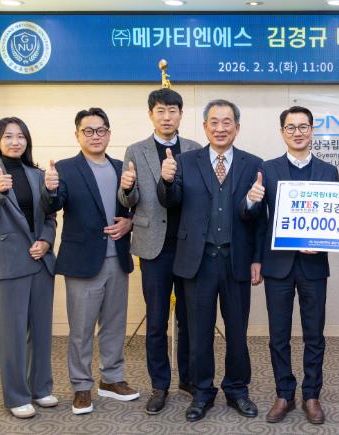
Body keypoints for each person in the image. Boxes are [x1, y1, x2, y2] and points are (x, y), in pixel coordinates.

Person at [157, 99, 264, 422]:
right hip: (197, 262)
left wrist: (257, 257)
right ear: (205, 127)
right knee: (198, 332)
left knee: (237, 331)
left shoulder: (252, 164)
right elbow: (170, 201)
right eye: (214, 122)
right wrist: (166, 180)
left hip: (236, 260)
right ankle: (202, 391)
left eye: (227, 122)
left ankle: (237, 389)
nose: (220, 128)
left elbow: (258, 218)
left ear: (237, 128)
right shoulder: (184, 161)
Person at [244, 106, 338, 425]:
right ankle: (284, 393)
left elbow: (332, 219)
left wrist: (323, 241)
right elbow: (257, 221)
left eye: (303, 126)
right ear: (282, 132)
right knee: (278, 335)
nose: (297, 132)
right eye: (291, 127)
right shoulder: (267, 169)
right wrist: (252, 201)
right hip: (278, 266)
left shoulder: (328, 171)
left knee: (315, 335)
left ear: (312, 130)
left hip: (314, 266)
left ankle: (311, 395)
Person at [46, 108, 137, 415]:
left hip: (117, 259)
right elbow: (54, 204)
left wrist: (129, 222)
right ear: (77, 135)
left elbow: (133, 206)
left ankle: (111, 379)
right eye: (88, 131)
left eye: (101, 130)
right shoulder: (65, 168)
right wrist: (50, 188)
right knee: (81, 330)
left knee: (114, 325)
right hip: (82, 262)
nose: (95, 136)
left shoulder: (121, 167)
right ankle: (81, 386)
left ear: (109, 134)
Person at [118, 88, 202, 414]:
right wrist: (126, 188)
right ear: (150, 114)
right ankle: (159, 384)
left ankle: (189, 379)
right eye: (160, 111)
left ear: (181, 114)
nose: (167, 117)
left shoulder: (194, 149)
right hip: (154, 247)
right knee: (156, 321)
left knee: (189, 319)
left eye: (172, 111)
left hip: (189, 246)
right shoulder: (135, 150)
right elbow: (129, 200)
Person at [0, 117, 59, 418]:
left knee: (41, 332)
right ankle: (16, 397)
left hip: (40, 262)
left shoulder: (38, 174)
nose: (15, 142)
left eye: (21, 136)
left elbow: (49, 217)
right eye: (8, 136)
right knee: (12, 336)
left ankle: (41, 389)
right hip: (8, 264)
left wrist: (46, 241)